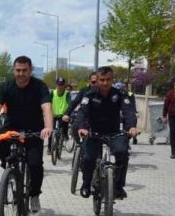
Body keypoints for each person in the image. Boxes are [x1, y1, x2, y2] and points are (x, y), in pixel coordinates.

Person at [0, 56, 53, 213]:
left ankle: (34, 195)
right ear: (14, 70)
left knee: (35, 164)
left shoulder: (40, 86)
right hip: (12, 127)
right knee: (0, 140)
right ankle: (9, 168)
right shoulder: (6, 86)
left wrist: (48, 127)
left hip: (33, 129)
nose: (21, 73)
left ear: (30, 70)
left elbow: (47, 108)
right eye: (18, 70)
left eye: (24, 70)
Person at [77, 66, 137, 200]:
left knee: (122, 153)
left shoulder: (119, 94)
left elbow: (128, 111)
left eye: (108, 79)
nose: (105, 83)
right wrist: (82, 127)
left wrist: (131, 127)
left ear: (112, 79)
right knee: (88, 159)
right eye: (102, 80)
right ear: (97, 80)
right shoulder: (89, 95)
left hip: (113, 133)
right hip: (94, 133)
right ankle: (86, 183)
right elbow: (82, 113)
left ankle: (118, 186)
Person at [47, 77, 71, 154]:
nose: (60, 86)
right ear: (56, 85)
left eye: (62, 84)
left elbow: (70, 104)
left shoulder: (67, 94)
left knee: (64, 129)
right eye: (59, 84)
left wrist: (67, 114)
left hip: (63, 115)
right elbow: (47, 102)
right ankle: (49, 148)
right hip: (53, 115)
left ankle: (65, 138)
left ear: (64, 85)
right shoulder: (53, 93)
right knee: (51, 132)